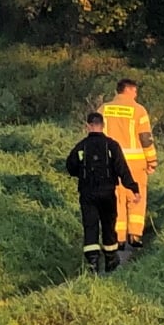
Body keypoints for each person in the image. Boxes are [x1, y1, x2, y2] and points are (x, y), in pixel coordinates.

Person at [66, 110, 137, 272]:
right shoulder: (111, 145)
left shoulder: (81, 146)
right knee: (108, 224)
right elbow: (122, 168)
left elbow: (70, 166)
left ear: (87, 126)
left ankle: (92, 262)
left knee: (90, 225)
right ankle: (111, 258)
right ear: (103, 126)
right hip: (107, 193)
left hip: (88, 193)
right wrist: (133, 187)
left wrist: (81, 175)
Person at [101, 77, 157, 254]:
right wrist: (152, 161)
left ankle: (119, 237)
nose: (136, 94)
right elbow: (146, 138)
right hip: (134, 164)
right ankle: (135, 235)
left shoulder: (104, 109)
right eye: (135, 91)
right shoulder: (138, 110)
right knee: (135, 196)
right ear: (129, 90)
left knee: (115, 198)